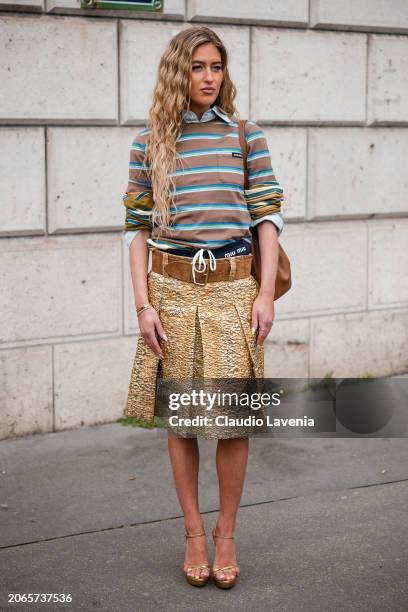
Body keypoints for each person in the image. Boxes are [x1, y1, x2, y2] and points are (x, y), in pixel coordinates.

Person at [121, 26, 284, 589]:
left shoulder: (245, 135)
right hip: (170, 289)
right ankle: (193, 531)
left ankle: (227, 533)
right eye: (198, 67)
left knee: (232, 421)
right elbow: (136, 228)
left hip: (234, 288)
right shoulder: (150, 144)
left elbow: (267, 216)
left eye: (216, 67)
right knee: (185, 419)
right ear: (178, 74)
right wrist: (143, 305)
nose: (209, 77)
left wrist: (264, 295)